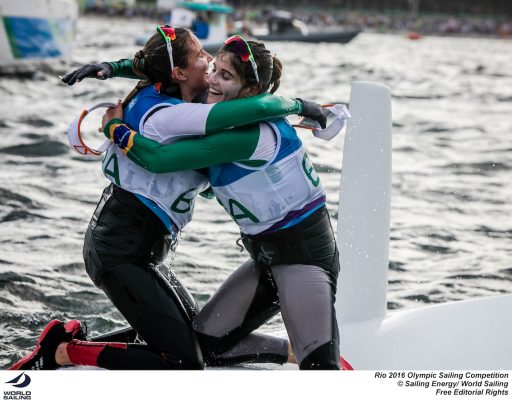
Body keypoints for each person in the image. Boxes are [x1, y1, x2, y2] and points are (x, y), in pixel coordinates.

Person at [9, 28, 326, 370]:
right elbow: (254, 109)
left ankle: (288, 352)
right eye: (202, 57)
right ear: (179, 73)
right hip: (121, 246)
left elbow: (151, 65)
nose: (208, 63)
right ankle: (61, 351)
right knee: (184, 359)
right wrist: (298, 105)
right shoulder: (170, 115)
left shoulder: (179, 91)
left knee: (192, 335)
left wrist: (112, 67)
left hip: (141, 245)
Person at [101, 35, 341, 369]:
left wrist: (115, 128)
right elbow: (167, 66)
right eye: (214, 68)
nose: (212, 80)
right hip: (265, 259)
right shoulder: (220, 114)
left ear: (251, 93)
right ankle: (287, 350)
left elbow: (158, 159)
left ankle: (319, 355)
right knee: (204, 347)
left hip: (303, 259)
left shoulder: (250, 136)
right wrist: (111, 70)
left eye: (225, 77)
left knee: (321, 372)